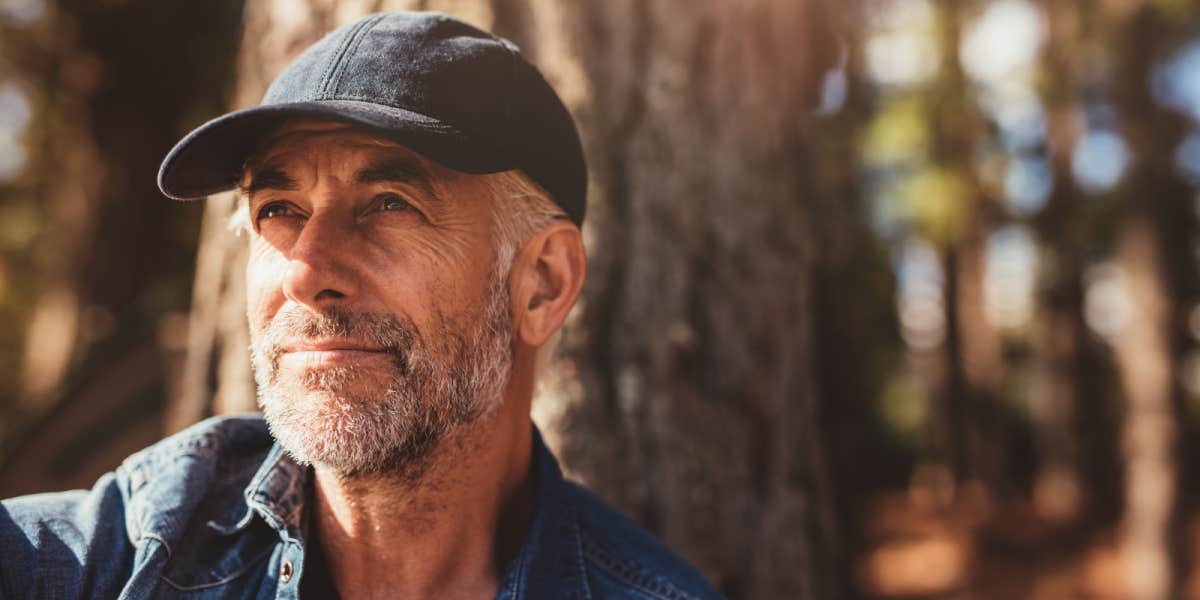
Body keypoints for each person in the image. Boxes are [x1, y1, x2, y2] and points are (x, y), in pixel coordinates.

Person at [0, 11, 724, 600]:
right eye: (279, 209)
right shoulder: (134, 550)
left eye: (388, 203)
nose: (308, 271)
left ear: (542, 283)